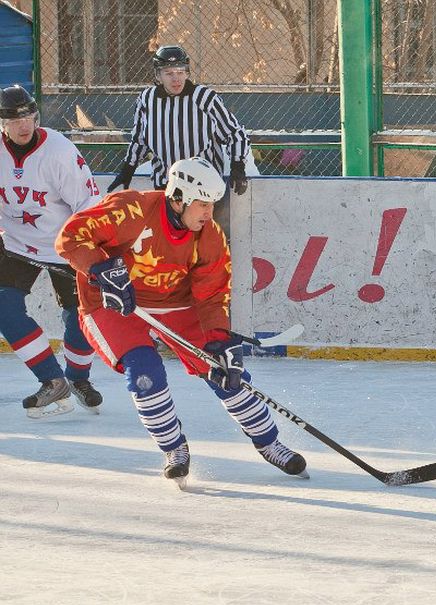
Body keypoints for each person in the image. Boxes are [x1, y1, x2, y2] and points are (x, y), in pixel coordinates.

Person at [55, 156, 306, 486]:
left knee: (225, 371)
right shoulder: (130, 209)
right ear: (178, 198)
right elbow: (70, 238)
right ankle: (174, 449)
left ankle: (270, 443)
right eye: (201, 204)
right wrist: (102, 268)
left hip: (175, 304)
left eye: (211, 205)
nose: (208, 213)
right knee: (144, 371)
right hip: (114, 305)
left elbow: (213, 295)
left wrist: (219, 339)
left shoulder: (210, 237)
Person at [0, 84, 104, 417]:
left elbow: (88, 202)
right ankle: (52, 379)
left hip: (65, 244)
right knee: (4, 307)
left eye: (28, 116)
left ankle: (78, 378)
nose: (23, 124)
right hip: (16, 245)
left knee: (80, 315)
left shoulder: (58, 150)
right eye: (14, 119)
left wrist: (89, 249)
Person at [106, 45, 250, 199]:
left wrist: (238, 166)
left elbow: (234, 133)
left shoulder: (204, 97)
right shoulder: (147, 99)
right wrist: (127, 169)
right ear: (158, 76)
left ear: (187, 73)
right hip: (166, 186)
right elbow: (140, 139)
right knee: (167, 223)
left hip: (204, 186)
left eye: (181, 72)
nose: (176, 78)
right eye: (168, 73)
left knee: (203, 223)